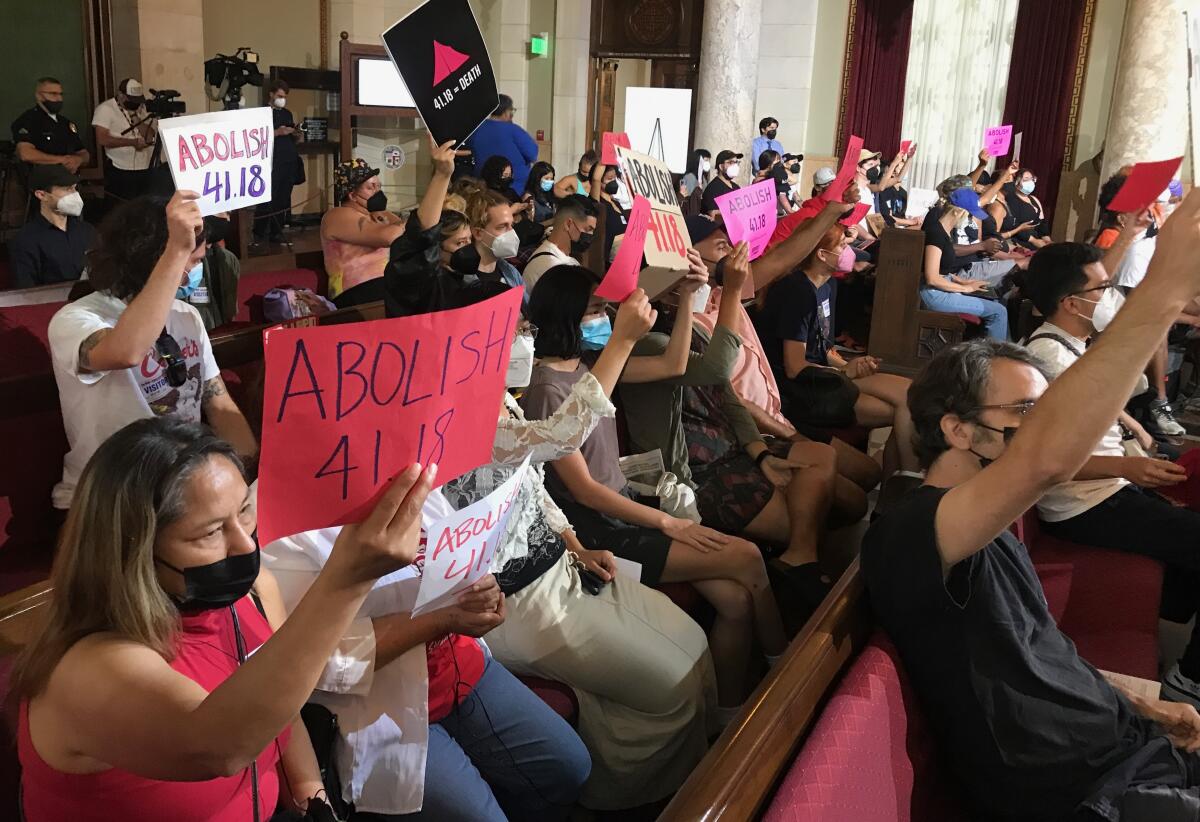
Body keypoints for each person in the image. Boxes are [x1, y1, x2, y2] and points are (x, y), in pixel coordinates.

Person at [862, 187, 1200, 821]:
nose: (1040, 425)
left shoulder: (985, 520)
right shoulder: (911, 529)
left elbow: (1043, 652)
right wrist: (1164, 289)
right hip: (1075, 792)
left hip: (1121, 747)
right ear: (957, 429)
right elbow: (1049, 460)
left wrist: (1145, 705)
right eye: (1024, 411)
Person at [12, 415, 435, 821]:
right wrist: (347, 580)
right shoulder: (86, 669)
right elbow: (219, 746)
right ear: (133, 550)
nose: (246, 546)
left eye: (245, 511)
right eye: (211, 532)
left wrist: (313, 798)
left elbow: (275, 706)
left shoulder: (246, 592)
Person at [437, 285, 717, 811]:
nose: (526, 338)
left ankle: (679, 777)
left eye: (524, 326)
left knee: (695, 645)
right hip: (514, 599)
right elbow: (559, 440)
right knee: (670, 685)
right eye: (514, 329)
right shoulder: (450, 412)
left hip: (564, 563)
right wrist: (621, 343)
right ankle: (634, 801)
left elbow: (531, 483)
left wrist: (574, 543)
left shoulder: (495, 392)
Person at [524, 263, 788, 719]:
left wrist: (686, 297)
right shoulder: (546, 387)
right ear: (566, 315)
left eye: (604, 309)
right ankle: (787, 671)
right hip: (599, 527)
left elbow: (675, 364)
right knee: (746, 556)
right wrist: (669, 522)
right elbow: (584, 491)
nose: (602, 318)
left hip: (626, 505)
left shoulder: (589, 367)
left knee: (735, 599)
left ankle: (726, 714)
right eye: (593, 310)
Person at [263, 524, 590, 821]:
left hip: (464, 665)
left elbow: (461, 561)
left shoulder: (415, 481)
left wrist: (484, 590)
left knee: (569, 766)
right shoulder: (283, 527)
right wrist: (441, 619)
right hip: (381, 711)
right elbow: (319, 662)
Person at [1021, 242, 1200, 705]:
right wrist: (1128, 467)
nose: (1109, 295)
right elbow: (1045, 460)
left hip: (1109, 487)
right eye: (1102, 288)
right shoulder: (1048, 359)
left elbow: (1095, 403)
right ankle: (1190, 679)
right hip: (1085, 503)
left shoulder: (1068, 345)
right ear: (1071, 303)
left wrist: (1132, 423)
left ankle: (1174, 616)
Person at [47, 192, 257, 512]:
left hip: (183, 490)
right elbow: (125, 351)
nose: (195, 270)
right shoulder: (76, 319)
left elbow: (217, 401)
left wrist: (249, 475)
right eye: (193, 259)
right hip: (112, 497)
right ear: (154, 256)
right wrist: (175, 251)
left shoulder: (187, 315)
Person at [756, 224, 920, 478]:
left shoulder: (828, 284)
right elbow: (795, 367)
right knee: (904, 411)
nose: (848, 251)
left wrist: (845, 363)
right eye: (842, 246)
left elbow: (822, 347)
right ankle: (902, 484)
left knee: (912, 395)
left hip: (824, 374)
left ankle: (895, 488)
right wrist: (844, 370)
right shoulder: (797, 292)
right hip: (801, 389)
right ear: (822, 255)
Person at [386, 138, 521, 317]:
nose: (467, 250)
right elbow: (421, 241)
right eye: (459, 243)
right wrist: (442, 175)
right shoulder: (424, 283)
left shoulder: (489, 277)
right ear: (437, 249)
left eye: (468, 242)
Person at [919, 191, 1009, 339]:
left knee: (996, 300)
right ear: (957, 212)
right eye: (968, 215)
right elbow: (932, 278)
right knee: (998, 312)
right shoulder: (936, 233)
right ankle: (995, 358)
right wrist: (965, 288)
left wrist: (963, 281)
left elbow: (942, 269)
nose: (969, 220)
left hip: (941, 288)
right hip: (934, 294)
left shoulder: (944, 232)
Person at [320, 158, 406, 303]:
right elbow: (389, 237)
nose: (378, 192)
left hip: (383, 286)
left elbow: (410, 233)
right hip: (353, 292)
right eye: (371, 187)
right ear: (352, 195)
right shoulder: (337, 215)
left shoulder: (379, 213)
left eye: (379, 187)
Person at [9, 164, 95, 289]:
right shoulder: (26, 239)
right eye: (67, 189)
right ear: (41, 195)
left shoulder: (87, 231)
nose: (74, 195)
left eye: (74, 188)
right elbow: (26, 290)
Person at [253, 80, 302, 244]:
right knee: (267, 197)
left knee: (282, 197)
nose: (282, 99)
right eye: (280, 96)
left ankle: (277, 232)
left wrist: (295, 133)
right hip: (270, 161)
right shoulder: (261, 112)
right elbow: (256, 137)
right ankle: (259, 233)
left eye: (285, 97)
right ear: (271, 94)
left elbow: (291, 135)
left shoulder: (287, 113)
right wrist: (278, 132)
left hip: (288, 159)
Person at [91, 78, 155, 204]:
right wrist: (132, 143)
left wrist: (135, 117)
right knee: (122, 207)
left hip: (144, 167)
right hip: (120, 169)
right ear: (121, 95)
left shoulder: (140, 109)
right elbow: (102, 139)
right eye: (131, 100)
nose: (134, 103)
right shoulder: (105, 109)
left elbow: (150, 136)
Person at [11, 77, 89, 176]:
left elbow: (84, 153)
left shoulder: (65, 123)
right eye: (53, 94)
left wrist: (79, 159)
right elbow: (25, 153)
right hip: (41, 182)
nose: (59, 98)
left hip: (69, 180)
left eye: (60, 94)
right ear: (39, 96)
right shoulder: (28, 120)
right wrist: (62, 160)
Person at [522, 194, 597, 288]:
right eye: (588, 229)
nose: (590, 235)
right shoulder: (548, 266)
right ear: (568, 224)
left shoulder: (565, 259)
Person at [467, 94, 539, 193]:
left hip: (484, 189)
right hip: (514, 189)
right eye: (512, 111)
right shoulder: (514, 130)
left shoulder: (476, 130)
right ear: (506, 112)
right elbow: (533, 155)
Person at [186, 214, 242, 331]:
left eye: (228, 214)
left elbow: (231, 309)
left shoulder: (229, 259)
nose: (227, 219)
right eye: (222, 212)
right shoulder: (183, 259)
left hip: (221, 333)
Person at [1002, 168, 1051, 249]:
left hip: (1037, 239)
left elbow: (1042, 223)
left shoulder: (1034, 199)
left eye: (1032, 179)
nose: (1030, 182)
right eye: (1026, 179)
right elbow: (1013, 224)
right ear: (1016, 181)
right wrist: (1033, 241)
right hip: (1020, 240)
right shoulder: (1011, 199)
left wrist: (1047, 240)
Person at [700, 150, 742, 215]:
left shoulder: (736, 187)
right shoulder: (713, 189)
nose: (735, 165)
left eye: (736, 162)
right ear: (721, 167)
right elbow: (713, 215)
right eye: (730, 162)